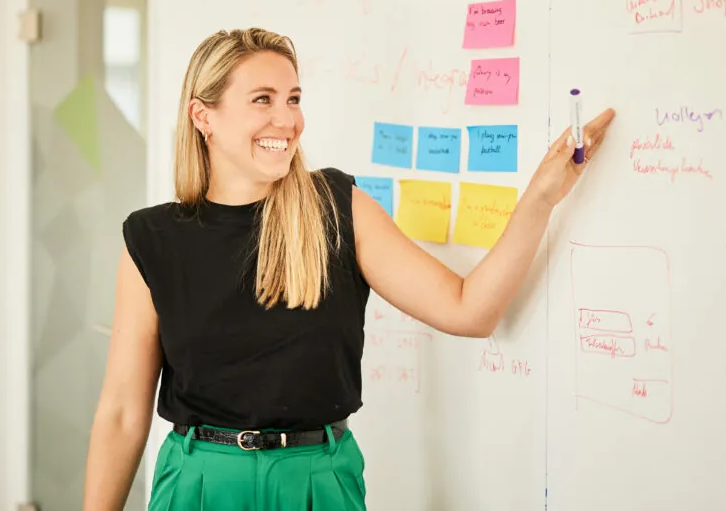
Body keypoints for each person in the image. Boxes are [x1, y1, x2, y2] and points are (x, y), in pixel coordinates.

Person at [82, 27, 616, 511]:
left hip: (319, 482)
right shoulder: (152, 238)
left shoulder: (337, 207)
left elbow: (468, 310)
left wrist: (541, 198)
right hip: (199, 483)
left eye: (293, 99)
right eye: (262, 100)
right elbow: (124, 414)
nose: (286, 120)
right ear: (204, 117)